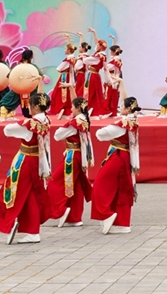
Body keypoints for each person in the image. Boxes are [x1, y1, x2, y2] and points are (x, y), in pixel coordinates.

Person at [0, 92, 52, 244]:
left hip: (25, 160)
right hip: (38, 160)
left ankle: (10, 222)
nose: (28, 108)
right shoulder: (46, 120)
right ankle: (32, 231)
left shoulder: (30, 124)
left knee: (14, 191)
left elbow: (7, 130)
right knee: (31, 194)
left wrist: (20, 122)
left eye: (30, 105)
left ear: (36, 107)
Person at [91, 77, 139, 235]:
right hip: (125, 156)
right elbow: (126, 100)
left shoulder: (122, 124)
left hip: (118, 157)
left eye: (121, 106)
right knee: (122, 189)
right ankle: (122, 223)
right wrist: (122, 83)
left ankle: (107, 213)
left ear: (127, 109)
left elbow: (100, 134)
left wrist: (109, 125)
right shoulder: (133, 119)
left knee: (100, 185)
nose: (120, 107)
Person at [49, 97, 94, 228]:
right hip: (80, 155)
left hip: (72, 156)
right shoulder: (84, 120)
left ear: (78, 108)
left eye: (72, 107)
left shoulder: (75, 122)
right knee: (76, 186)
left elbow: (57, 135)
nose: (71, 109)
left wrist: (67, 122)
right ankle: (75, 217)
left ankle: (60, 209)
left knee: (56, 182)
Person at [0, 49, 45, 119]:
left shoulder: (18, 67)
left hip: (19, 90)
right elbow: (42, 77)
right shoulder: (34, 67)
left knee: (4, 101)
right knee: (42, 99)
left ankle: (4, 116)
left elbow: (9, 76)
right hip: (31, 90)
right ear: (31, 57)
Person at [82, 28, 110, 118]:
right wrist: (94, 32)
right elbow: (96, 42)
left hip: (92, 75)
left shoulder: (99, 56)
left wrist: (83, 57)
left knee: (89, 93)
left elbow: (86, 61)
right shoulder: (101, 54)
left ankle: (88, 109)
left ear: (100, 47)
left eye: (97, 45)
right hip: (95, 75)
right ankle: (93, 110)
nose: (96, 45)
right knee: (95, 93)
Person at [49, 42, 78, 119]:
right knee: (66, 94)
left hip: (64, 77)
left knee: (59, 93)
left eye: (65, 49)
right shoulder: (73, 58)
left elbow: (59, 68)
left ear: (69, 50)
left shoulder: (68, 59)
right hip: (68, 77)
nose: (64, 50)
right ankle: (64, 110)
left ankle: (63, 109)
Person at [104, 44, 124, 117]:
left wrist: (104, 65)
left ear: (114, 52)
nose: (110, 52)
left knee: (111, 95)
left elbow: (110, 68)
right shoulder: (115, 59)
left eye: (111, 51)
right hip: (112, 77)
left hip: (113, 78)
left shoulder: (116, 59)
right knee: (111, 95)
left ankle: (110, 111)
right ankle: (110, 111)